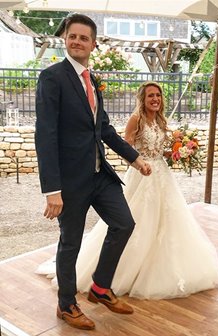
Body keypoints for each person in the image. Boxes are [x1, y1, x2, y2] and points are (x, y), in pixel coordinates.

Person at [37, 81, 218, 301]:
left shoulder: (161, 120)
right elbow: (126, 147)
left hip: (161, 175)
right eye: (151, 96)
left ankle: (157, 267)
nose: (155, 99)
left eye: (158, 96)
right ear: (143, 99)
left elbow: (159, 148)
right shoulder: (136, 119)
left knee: (166, 220)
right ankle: (105, 280)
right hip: (141, 176)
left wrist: (177, 152)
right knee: (133, 221)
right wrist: (139, 160)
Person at [35, 14, 151, 331]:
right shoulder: (52, 77)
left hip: (100, 176)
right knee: (70, 243)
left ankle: (100, 287)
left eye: (83, 38)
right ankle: (66, 305)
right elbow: (44, 135)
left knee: (124, 224)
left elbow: (104, 130)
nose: (77, 42)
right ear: (65, 39)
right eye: (72, 36)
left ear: (93, 44)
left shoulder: (91, 79)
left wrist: (135, 158)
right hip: (70, 182)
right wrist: (52, 189)